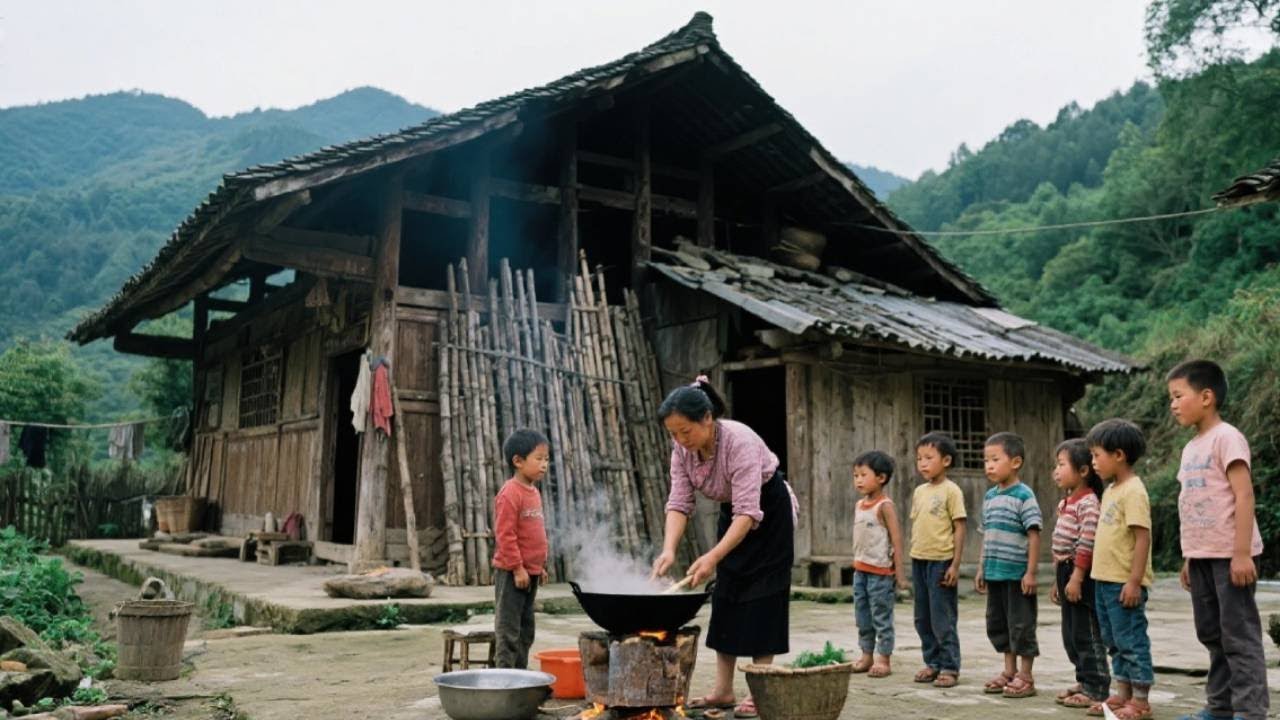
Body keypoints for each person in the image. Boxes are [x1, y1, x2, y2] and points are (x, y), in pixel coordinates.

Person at [651, 376, 796, 720]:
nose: (680, 441)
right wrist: (669, 549)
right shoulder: (682, 450)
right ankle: (723, 689)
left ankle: (759, 690)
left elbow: (749, 511)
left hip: (768, 513)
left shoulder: (739, 441)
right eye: (673, 434)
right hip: (734, 514)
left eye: (685, 431)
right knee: (727, 594)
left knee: (765, 598)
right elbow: (679, 502)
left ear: (707, 419)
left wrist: (714, 556)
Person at [1167, 360, 1269, 720]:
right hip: (1202, 557)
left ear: (1206, 396)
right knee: (1211, 633)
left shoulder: (1228, 437)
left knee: (1238, 634)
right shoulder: (1191, 448)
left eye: (1179, 396)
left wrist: (1242, 554)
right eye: (1171, 398)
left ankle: (1250, 710)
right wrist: (1189, 557)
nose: (1173, 405)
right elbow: (1192, 505)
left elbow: (1244, 496)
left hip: (1232, 556)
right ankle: (1221, 705)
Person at [1087, 418, 1155, 720]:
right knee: (1113, 640)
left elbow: (1142, 537)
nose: (1093, 463)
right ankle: (1123, 692)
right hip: (1103, 581)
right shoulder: (1112, 490)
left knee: (1131, 640)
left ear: (1119, 455)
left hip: (1123, 582)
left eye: (1096, 456)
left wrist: (1134, 581)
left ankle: (1140, 700)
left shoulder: (1134, 491)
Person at [975, 432, 1043, 699]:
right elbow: (987, 535)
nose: (988, 465)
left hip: (1017, 575)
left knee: (1021, 624)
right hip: (995, 573)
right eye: (986, 460)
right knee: (999, 622)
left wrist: (1031, 572)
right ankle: (1009, 670)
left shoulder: (1024, 495)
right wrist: (981, 568)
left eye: (995, 459)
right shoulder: (990, 496)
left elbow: (1034, 534)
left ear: (1015, 462)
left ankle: (1026, 676)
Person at [1048, 438, 1110, 709]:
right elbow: (1059, 544)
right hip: (1064, 570)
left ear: (1083, 471)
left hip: (1079, 572)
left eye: (1062, 465)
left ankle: (1096, 686)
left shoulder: (1088, 503)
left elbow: (1087, 542)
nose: (1056, 471)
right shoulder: (1066, 502)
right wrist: (1057, 579)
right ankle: (1083, 679)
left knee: (1086, 632)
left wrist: (1076, 577)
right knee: (1070, 633)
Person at [909, 432, 967, 688]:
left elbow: (960, 527)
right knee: (922, 617)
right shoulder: (919, 491)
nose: (922, 463)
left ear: (946, 460)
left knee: (942, 617)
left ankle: (949, 666)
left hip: (941, 562)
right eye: (919, 458)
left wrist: (955, 564)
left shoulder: (951, 491)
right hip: (919, 560)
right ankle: (932, 662)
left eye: (928, 458)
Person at [491, 428, 550, 669]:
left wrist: (539, 567)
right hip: (512, 574)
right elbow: (505, 535)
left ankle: (520, 676)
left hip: (531, 572)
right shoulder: (510, 493)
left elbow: (533, 535)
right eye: (539, 459)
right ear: (518, 461)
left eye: (547, 459)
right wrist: (517, 568)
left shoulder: (534, 492)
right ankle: (505, 678)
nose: (544, 465)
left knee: (526, 629)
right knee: (509, 629)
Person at [849, 450, 908, 678]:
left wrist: (900, 574)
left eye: (863, 475)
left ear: (881, 478)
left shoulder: (885, 506)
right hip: (860, 571)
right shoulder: (859, 505)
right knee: (862, 616)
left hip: (881, 573)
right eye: (856, 475)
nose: (858, 480)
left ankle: (884, 658)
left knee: (881, 616)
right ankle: (866, 655)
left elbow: (897, 539)